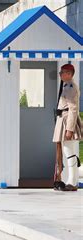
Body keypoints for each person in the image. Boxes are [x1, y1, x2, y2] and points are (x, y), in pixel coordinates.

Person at [53, 63, 81, 191]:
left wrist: (69, 129)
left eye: (62, 72)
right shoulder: (66, 86)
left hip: (67, 120)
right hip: (62, 119)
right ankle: (69, 180)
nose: (60, 74)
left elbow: (73, 109)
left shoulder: (70, 87)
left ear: (69, 74)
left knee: (69, 152)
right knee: (67, 152)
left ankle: (72, 181)